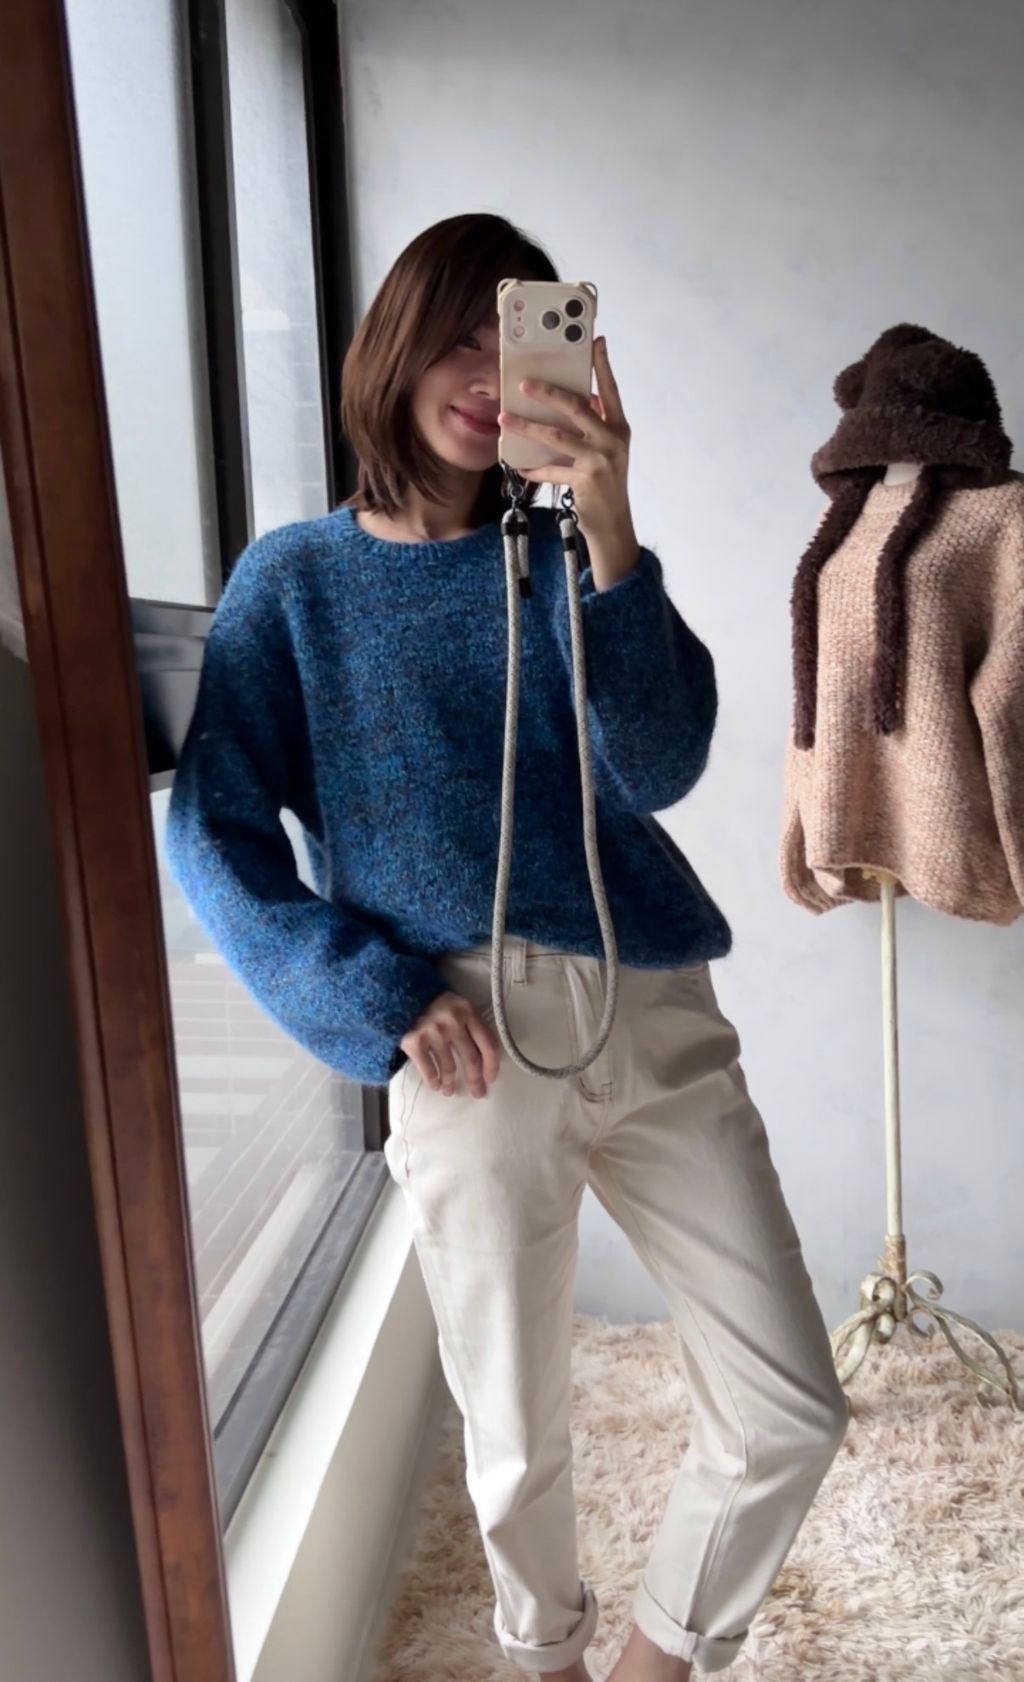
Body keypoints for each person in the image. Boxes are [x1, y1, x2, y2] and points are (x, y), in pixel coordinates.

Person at [165, 211, 849, 1682]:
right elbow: (210, 828)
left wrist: (610, 529)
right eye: (458, 338)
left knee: (790, 1401)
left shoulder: (568, 565)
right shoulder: (296, 583)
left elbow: (660, 764)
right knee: (518, 1439)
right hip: (466, 1036)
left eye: (520, 339)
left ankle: (658, 1661)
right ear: (394, 349)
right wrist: (370, 993)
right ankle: (546, 1665)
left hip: (651, 1007)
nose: (487, 376)